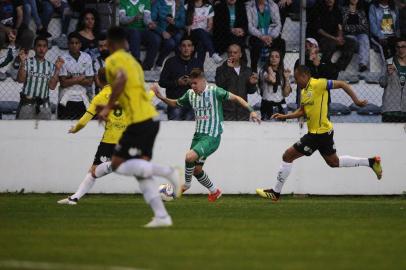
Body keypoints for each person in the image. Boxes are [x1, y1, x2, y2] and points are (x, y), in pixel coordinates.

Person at [256, 65, 383, 202]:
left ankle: (275, 192)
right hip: (322, 133)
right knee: (334, 162)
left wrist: (356, 101)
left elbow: (342, 84)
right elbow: (302, 112)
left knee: (287, 155)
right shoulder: (305, 92)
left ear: (304, 76)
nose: (296, 81)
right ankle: (371, 162)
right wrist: (284, 116)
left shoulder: (319, 83)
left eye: (297, 78)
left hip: (318, 134)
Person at [97, 27, 182, 228]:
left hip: (138, 121)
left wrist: (108, 106)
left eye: (104, 44)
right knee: (141, 171)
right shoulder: (134, 62)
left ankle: (169, 172)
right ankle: (162, 216)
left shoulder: (113, 61)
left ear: (110, 43)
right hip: (150, 119)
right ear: (126, 42)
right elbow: (133, 94)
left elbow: (121, 80)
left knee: (117, 163)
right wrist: (114, 105)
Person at [153, 68, 261, 202]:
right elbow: (175, 103)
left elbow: (237, 98)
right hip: (198, 136)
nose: (193, 86)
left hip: (212, 136)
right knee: (197, 170)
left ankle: (186, 185)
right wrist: (162, 97)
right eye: (191, 83)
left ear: (203, 81)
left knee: (189, 156)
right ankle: (214, 191)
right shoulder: (190, 94)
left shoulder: (214, 91)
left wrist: (252, 111)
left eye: (195, 83)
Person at [58, 68, 128, 205]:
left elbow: (85, 119)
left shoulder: (100, 97)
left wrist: (75, 129)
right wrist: (152, 92)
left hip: (110, 140)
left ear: (98, 80)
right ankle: (75, 198)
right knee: (93, 170)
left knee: (99, 169)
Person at [16, 36, 64, 120]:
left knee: (44, 132)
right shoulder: (27, 62)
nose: (41, 49)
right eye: (39, 46)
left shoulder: (51, 66)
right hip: (26, 104)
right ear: (34, 48)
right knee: (23, 131)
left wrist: (57, 69)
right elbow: (20, 80)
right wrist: (22, 63)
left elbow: (52, 87)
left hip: (44, 106)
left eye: (44, 46)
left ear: (47, 49)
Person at [307, 0, 357, 71]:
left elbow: (339, 25)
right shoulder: (317, 9)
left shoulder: (336, 10)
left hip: (335, 37)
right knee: (330, 44)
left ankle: (338, 68)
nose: (330, 0)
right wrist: (334, 38)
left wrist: (339, 37)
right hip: (321, 38)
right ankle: (324, 67)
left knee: (351, 43)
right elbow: (319, 30)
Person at [158, 35, 199, 120]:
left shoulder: (197, 63)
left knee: (190, 131)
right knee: (174, 130)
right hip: (174, 103)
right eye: (183, 46)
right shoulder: (170, 62)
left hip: (192, 104)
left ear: (193, 48)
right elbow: (162, 82)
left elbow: (202, 85)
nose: (186, 48)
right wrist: (177, 82)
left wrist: (191, 82)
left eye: (189, 46)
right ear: (180, 48)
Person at [215, 43, 258, 121]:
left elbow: (251, 91)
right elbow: (220, 85)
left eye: (235, 52)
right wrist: (229, 69)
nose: (232, 54)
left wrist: (252, 84)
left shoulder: (247, 70)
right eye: (230, 52)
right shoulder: (221, 69)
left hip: (243, 111)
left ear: (240, 54)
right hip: (226, 112)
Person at [58, 32, 94, 120]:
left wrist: (71, 78)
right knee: (64, 128)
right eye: (72, 43)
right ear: (68, 44)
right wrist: (81, 77)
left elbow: (89, 82)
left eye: (76, 43)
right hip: (66, 99)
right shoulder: (62, 58)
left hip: (82, 99)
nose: (74, 45)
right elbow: (63, 83)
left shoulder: (87, 57)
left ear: (80, 44)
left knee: (83, 128)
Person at [246, 0, 286, 72]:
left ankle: (278, 69)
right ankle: (254, 70)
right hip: (256, 35)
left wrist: (271, 36)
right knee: (256, 44)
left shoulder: (273, 5)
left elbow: (278, 24)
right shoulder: (249, 6)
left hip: (271, 35)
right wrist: (261, 36)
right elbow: (250, 26)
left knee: (281, 43)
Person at [118, 0, 159, 70]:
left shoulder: (145, 2)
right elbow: (122, 19)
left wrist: (150, 23)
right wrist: (133, 18)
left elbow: (147, 18)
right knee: (135, 33)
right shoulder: (123, 1)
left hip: (142, 30)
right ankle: (136, 62)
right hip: (127, 30)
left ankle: (147, 66)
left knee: (155, 38)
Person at [185, 0, 223, 67]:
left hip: (204, 35)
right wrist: (187, 26)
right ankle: (213, 53)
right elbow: (183, 22)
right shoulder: (186, 6)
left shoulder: (208, 7)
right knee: (200, 30)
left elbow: (210, 24)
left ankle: (199, 70)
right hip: (191, 33)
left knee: (201, 44)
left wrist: (207, 30)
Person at [151, 0, 186, 69]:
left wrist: (174, 22)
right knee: (171, 43)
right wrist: (162, 31)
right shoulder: (158, 3)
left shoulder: (179, 3)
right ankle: (159, 63)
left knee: (178, 38)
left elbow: (182, 22)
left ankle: (179, 64)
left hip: (174, 30)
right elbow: (152, 21)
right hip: (161, 30)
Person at [258, 49, 291, 120]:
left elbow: (286, 94)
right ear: (269, 58)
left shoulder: (283, 73)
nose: (274, 58)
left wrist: (287, 79)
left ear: (280, 59)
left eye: (277, 57)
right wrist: (269, 68)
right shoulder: (264, 71)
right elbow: (272, 80)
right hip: (267, 104)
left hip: (281, 105)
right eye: (272, 56)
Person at [380, 36, 406, 122]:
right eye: (398, 47)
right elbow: (382, 83)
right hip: (390, 109)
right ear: (395, 48)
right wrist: (388, 74)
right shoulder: (388, 62)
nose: (400, 49)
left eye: (403, 47)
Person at [342, 0, 370, 72]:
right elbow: (344, 26)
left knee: (364, 38)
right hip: (348, 35)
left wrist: (351, 27)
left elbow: (365, 26)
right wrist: (357, 27)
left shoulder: (361, 11)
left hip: (360, 35)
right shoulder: (343, 10)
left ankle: (362, 64)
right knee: (353, 40)